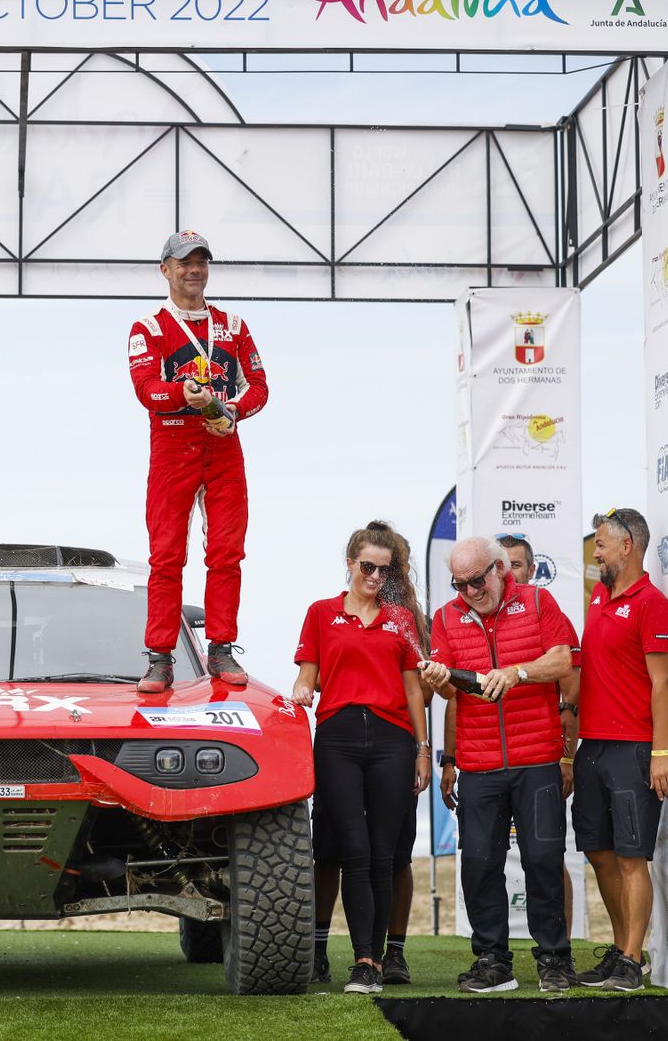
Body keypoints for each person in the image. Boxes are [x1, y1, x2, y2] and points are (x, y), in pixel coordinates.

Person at [419, 537, 580, 994]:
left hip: (538, 761)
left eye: (477, 581)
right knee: (479, 865)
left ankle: (555, 960)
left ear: (499, 570)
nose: (470, 592)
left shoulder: (538, 601)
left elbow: (563, 660)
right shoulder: (446, 617)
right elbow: (449, 692)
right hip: (480, 765)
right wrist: (439, 678)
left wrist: (518, 672)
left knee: (543, 860)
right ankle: (492, 962)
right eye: (459, 584)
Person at [127, 230, 268, 691]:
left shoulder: (234, 325)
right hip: (173, 448)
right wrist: (180, 393)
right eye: (185, 262)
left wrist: (231, 412)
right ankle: (160, 657)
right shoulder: (149, 328)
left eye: (201, 262)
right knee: (166, 556)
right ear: (165, 269)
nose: (194, 270)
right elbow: (146, 389)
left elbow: (259, 387)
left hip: (223, 445)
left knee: (228, 553)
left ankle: (221, 649)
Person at [293, 522, 430, 995]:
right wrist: (301, 690)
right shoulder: (321, 612)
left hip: (393, 739)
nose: (374, 576)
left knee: (382, 855)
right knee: (351, 850)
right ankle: (363, 960)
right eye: (367, 566)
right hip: (338, 738)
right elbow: (307, 676)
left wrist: (422, 750)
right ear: (350, 563)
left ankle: (373, 963)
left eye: (383, 570)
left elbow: (414, 690)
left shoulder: (401, 619)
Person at [572, 508, 668, 992]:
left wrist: (660, 752)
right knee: (598, 852)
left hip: (634, 748)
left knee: (633, 858)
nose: (595, 553)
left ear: (627, 546)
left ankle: (634, 960)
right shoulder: (599, 596)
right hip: (591, 746)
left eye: (601, 544)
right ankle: (620, 950)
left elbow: (662, 683)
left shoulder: (652, 603)